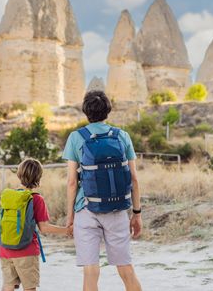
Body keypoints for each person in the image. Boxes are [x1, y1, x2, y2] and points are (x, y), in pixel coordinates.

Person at [63, 90, 143, 291]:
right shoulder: (122, 136)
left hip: (87, 209)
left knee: (91, 271)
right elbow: (133, 178)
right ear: (108, 110)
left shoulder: (76, 137)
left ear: (85, 111)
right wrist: (136, 213)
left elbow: (72, 182)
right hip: (117, 210)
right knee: (126, 269)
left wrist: (70, 217)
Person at [0, 158, 68, 291]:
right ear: (39, 176)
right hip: (26, 251)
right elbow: (44, 228)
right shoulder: (36, 199)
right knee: (30, 288)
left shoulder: (9, 196)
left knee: (8, 286)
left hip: (5, 249)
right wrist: (67, 230)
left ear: (19, 175)